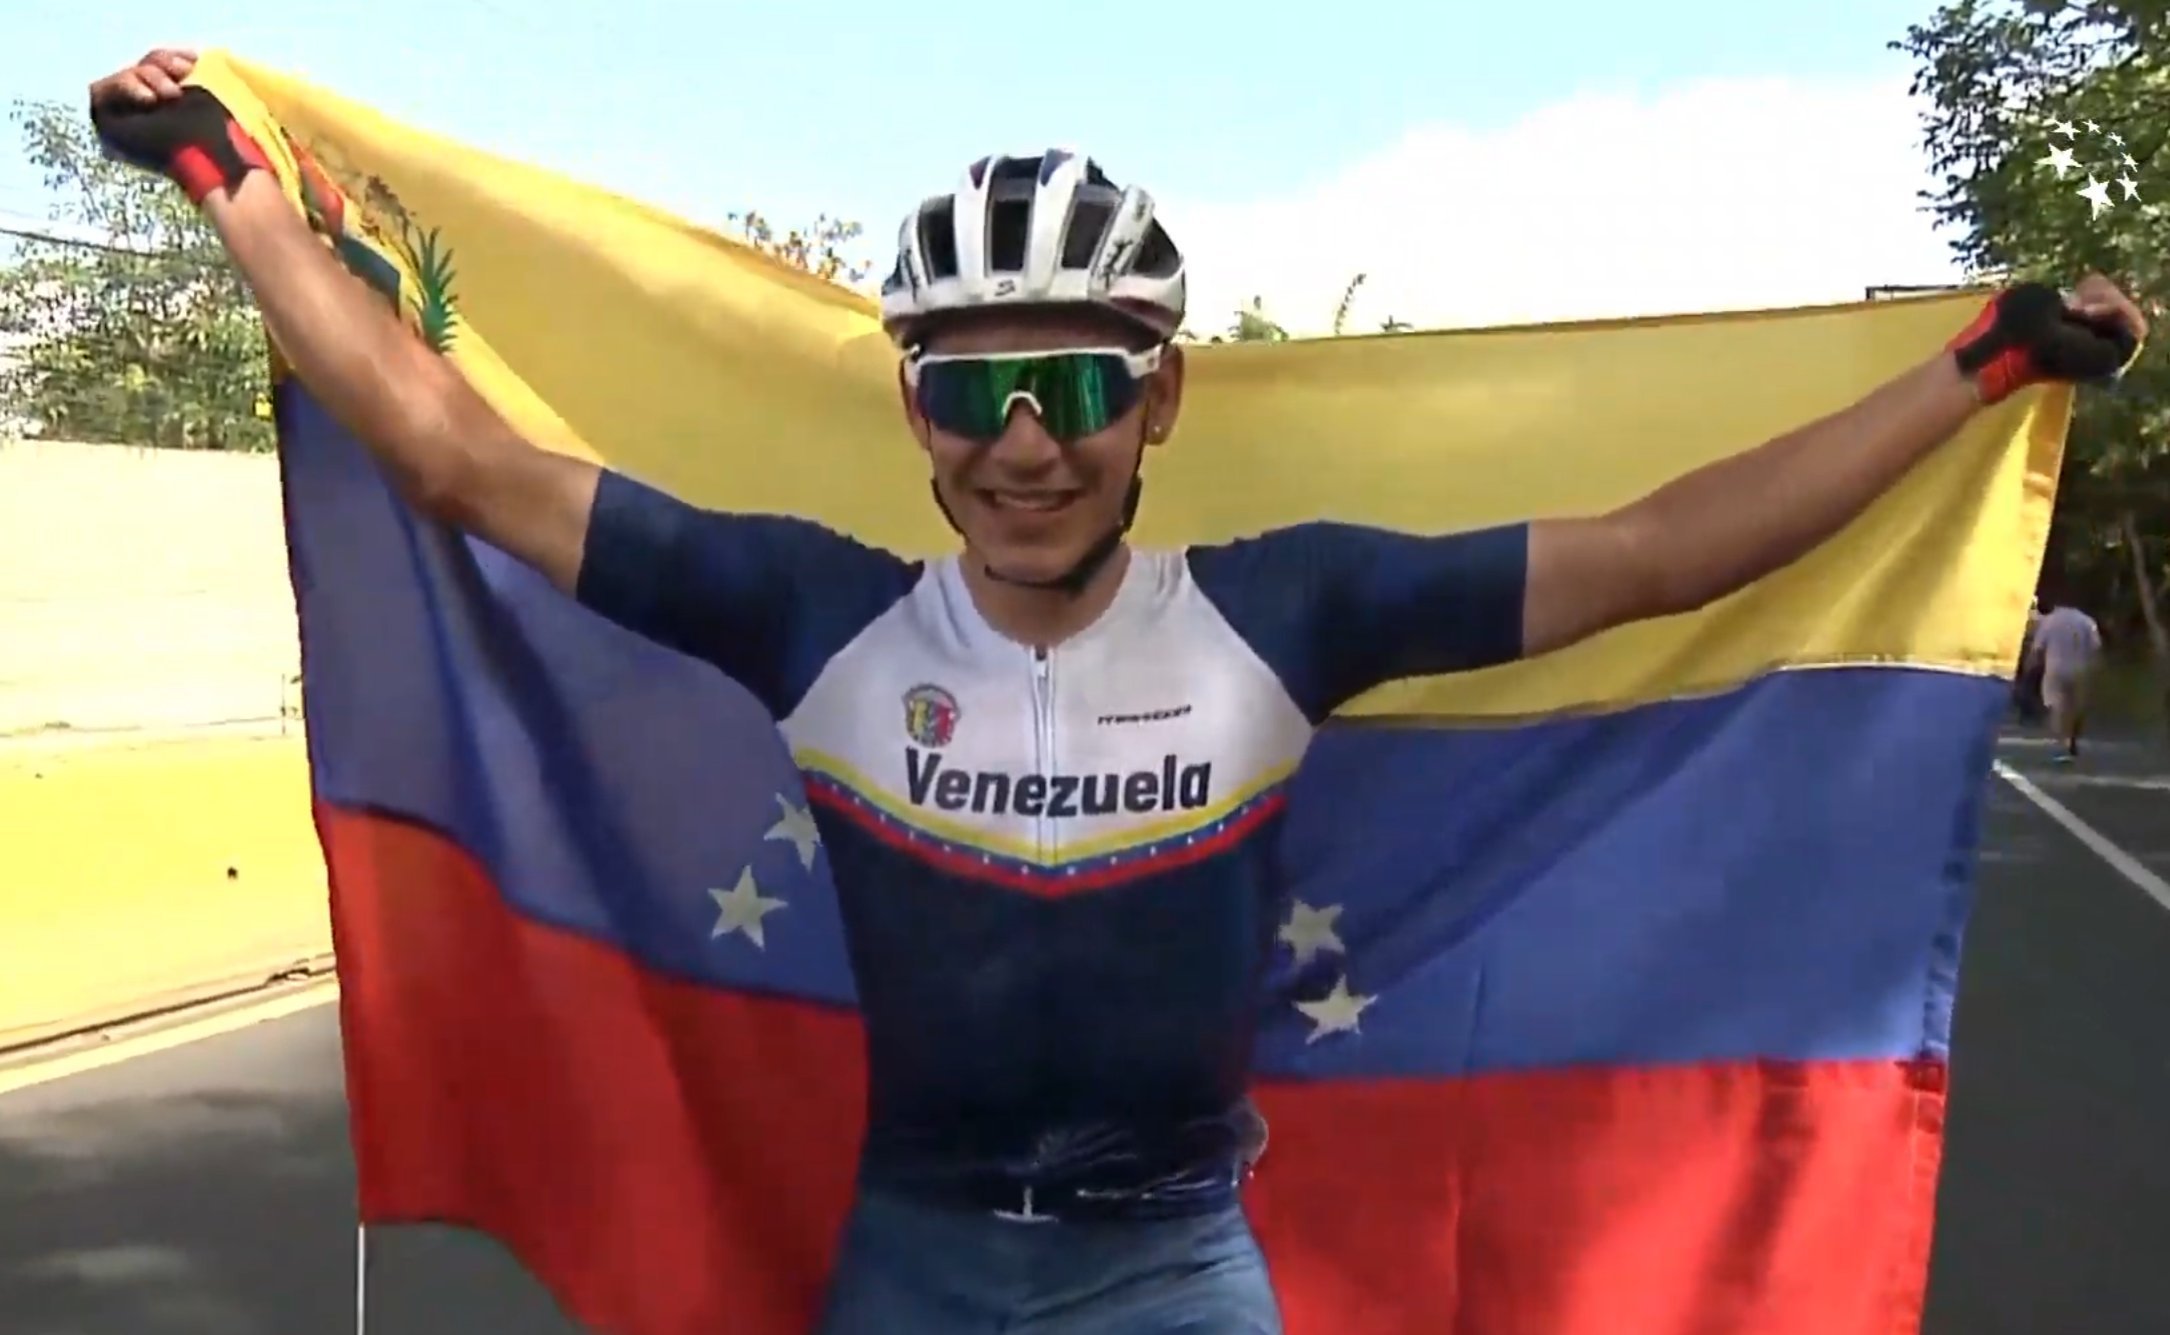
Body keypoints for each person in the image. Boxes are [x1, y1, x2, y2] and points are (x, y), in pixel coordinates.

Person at [87, 48, 2147, 1334]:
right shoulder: (810, 612)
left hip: (1168, 1269)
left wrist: (1975, 362)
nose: (1025, 444)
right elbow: (454, 456)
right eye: (976, 395)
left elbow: (1662, 550)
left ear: (1153, 398)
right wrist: (237, 194)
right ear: (915, 411)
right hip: (910, 1252)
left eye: (1074, 387)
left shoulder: (1285, 612)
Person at [2028, 596, 2104, 762]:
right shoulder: (2087, 621)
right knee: (2077, 706)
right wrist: (2095, 669)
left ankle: (2061, 745)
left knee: (2057, 707)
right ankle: (2073, 737)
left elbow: (2038, 648)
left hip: (2055, 668)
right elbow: (2096, 648)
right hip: (2080, 669)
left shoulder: (2049, 621)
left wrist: (2032, 666)